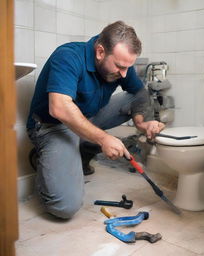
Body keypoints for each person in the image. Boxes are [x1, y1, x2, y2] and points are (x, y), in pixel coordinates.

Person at [26, 21, 165, 219]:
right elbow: (59, 107)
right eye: (119, 66)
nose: (124, 73)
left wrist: (141, 123)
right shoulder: (68, 56)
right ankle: (45, 165)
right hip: (52, 126)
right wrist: (103, 139)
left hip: (87, 117)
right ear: (100, 52)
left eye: (128, 67)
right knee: (65, 208)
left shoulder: (121, 65)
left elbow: (139, 93)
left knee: (134, 96)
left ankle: (80, 153)